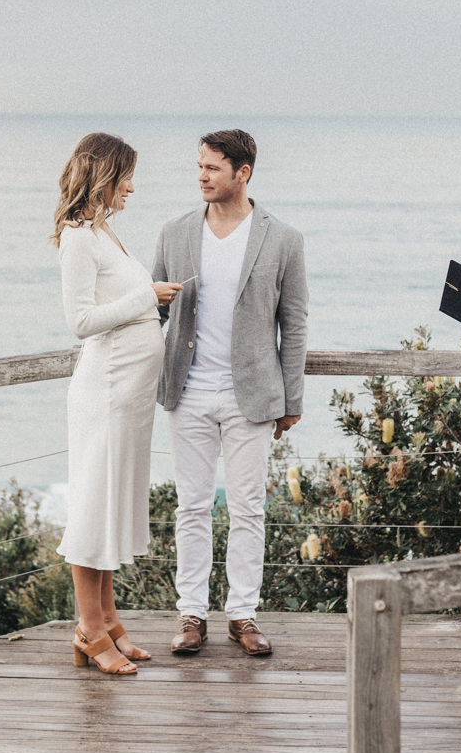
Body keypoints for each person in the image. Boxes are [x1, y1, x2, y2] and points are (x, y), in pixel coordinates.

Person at [152, 129, 309, 657]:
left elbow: (295, 323)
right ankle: (191, 614)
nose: (201, 176)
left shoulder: (282, 238)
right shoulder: (174, 233)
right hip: (188, 390)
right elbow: (152, 309)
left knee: (247, 509)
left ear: (242, 174)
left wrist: (291, 399)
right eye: (198, 166)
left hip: (252, 396)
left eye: (212, 168)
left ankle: (243, 615)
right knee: (191, 507)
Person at [54, 132, 185, 675]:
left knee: (112, 507)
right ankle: (88, 629)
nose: (133, 187)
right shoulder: (77, 238)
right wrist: (147, 297)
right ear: (104, 175)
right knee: (92, 510)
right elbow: (80, 321)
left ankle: (108, 621)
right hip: (104, 392)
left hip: (129, 398)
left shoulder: (104, 231)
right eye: (126, 175)